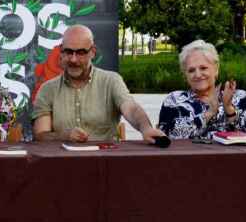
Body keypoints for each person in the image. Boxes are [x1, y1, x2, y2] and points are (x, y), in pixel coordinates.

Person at [32, 25, 166, 143]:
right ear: (61, 52)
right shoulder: (47, 89)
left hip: (105, 163)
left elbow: (131, 108)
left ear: (93, 52)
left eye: (81, 53)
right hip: (61, 164)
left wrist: (146, 128)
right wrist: (64, 136)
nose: (73, 59)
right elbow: (40, 136)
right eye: (68, 52)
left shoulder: (111, 81)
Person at [158, 40, 246, 140]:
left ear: (216, 69)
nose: (197, 75)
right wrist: (209, 113)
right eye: (191, 70)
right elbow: (169, 138)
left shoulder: (239, 97)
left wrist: (229, 108)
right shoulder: (174, 101)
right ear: (185, 75)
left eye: (203, 68)